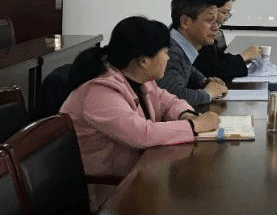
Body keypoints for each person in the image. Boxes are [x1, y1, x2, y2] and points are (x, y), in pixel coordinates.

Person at [60, 16, 220, 205]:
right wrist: (194, 126)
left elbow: (168, 101)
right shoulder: (99, 91)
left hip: (135, 176)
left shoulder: (140, 78)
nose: (168, 58)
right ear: (143, 61)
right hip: (105, 191)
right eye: (165, 52)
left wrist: (187, 114)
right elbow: (141, 134)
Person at [157, 0, 228, 107]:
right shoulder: (170, 51)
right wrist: (208, 94)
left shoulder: (177, 44)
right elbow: (172, 97)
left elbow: (188, 68)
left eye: (217, 22)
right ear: (185, 22)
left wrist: (204, 81)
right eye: (209, 21)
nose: (216, 28)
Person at [194, 0, 260, 82]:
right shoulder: (198, 33)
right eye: (224, 12)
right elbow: (213, 69)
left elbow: (218, 59)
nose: (226, 18)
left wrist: (242, 59)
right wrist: (244, 56)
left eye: (228, 13)